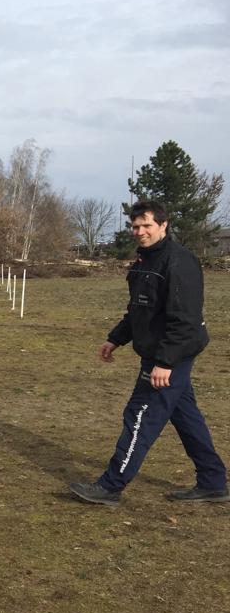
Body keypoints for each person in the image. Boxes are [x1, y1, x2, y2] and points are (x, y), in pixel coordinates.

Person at [70, 200, 227, 506]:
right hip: (159, 352)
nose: (140, 231)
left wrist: (165, 362)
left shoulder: (178, 262)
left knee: (140, 415)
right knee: (185, 416)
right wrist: (115, 339)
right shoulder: (145, 262)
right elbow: (139, 311)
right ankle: (213, 482)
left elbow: (185, 320)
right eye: (135, 226)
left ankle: (111, 486)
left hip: (171, 354)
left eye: (147, 225)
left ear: (163, 225)